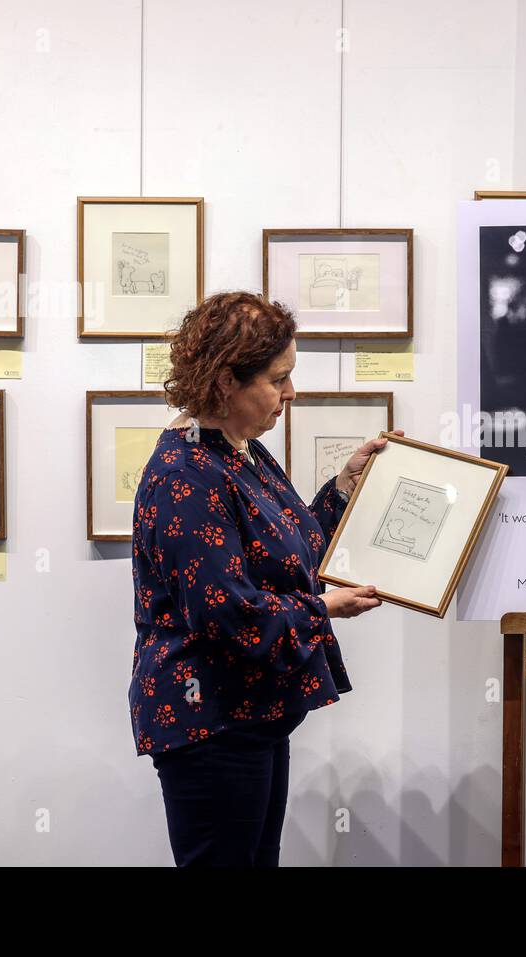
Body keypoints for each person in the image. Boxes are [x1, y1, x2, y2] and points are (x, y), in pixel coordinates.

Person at [128, 290, 395, 867]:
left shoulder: (238, 453)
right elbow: (228, 613)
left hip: (248, 716)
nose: (291, 394)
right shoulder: (186, 476)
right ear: (227, 382)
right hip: (210, 723)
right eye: (279, 379)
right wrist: (326, 608)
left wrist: (346, 485)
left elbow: (292, 554)